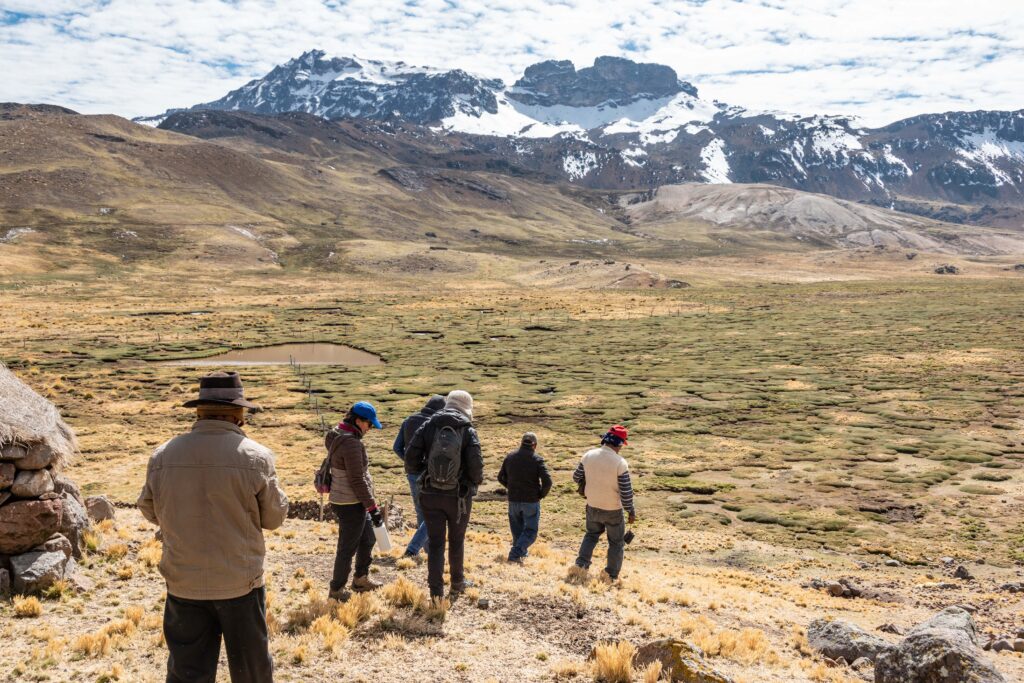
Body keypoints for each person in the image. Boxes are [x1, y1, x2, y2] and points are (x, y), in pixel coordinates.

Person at [137, 371, 288, 683]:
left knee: (187, 672)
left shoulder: (163, 455)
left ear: (199, 411)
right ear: (238, 414)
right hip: (240, 582)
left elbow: (149, 509)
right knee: (251, 673)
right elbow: (274, 518)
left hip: (183, 581)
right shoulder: (256, 457)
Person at [404, 389, 483, 600]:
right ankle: (457, 583)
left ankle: (436, 593)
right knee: (456, 540)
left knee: (436, 543)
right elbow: (476, 469)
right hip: (458, 498)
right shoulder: (468, 430)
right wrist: (470, 484)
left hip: (430, 494)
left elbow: (410, 458)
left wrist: (425, 474)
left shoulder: (429, 425)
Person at [325, 400, 385, 600]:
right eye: (369, 424)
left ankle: (360, 579)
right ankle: (336, 589)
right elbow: (357, 480)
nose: (369, 429)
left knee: (368, 537)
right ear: (358, 421)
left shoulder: (336, 434)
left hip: (345, 499)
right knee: (347, 547)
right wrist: (372, 507)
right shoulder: (351, 444)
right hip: (350, 502)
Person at [572, 424, 636, 581]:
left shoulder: (588, 455)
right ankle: (611, 574)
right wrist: (630, 510)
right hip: (613, 510)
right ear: (619, 444)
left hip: (592, 505)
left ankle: (581, 565)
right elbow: (626, 492)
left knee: (591, 535)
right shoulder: (620, 463)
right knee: (616, 543)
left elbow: (576, 477)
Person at [393, 394, 446, 558]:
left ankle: (428, 550)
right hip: (429, 474)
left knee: (421, 511)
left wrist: (409, 460)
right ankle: (413, 549)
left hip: (411, 472)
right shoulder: (434, 424)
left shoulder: (408, 420)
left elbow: (396, 447)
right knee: (434, 513)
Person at [497, 432, 552, 563]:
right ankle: (515, 554)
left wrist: (510, 487)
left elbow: (500, 477)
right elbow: (548, 482)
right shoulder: (536, 459)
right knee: (531, 532)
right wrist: (540, 494)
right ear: (534, 445)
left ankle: (521, 553)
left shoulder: (510, 457)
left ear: (521, 443)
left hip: (513, 500)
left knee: (517, 530)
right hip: (530, 501)